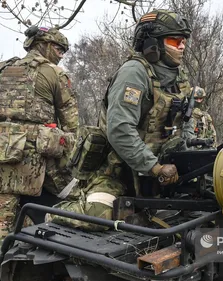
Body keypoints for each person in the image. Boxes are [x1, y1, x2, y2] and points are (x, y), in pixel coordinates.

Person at [48, 9, 196, 230]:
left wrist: (187, 156)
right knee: (99, 216)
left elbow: (186, 121)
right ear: (153, 44)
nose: (182, 46)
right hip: (115, 172)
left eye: (183, 41)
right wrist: (155, 168)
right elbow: (120, 130)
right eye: (175, 40)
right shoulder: (134, 73)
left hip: (156, 175)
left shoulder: (178, 77)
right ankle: (49, 216)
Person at [0, 26, 79, 240]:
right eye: (58, 49)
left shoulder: (3, 68)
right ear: (42, 45)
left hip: (3, 155)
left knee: (3, 220)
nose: (61, 55)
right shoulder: (55, 73)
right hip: (37, 160)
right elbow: (72, 124)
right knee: (73, 203)